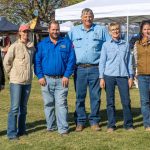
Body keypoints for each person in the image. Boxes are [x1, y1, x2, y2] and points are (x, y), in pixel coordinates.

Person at [68, 8, 110, 132]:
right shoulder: (74, 31)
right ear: (81, 18)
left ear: (93, 17)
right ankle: (80, 121)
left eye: (90, 16)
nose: (88, 18)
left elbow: (108, 46)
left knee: (95, 97)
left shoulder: (101, 30)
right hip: (79, 69)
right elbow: (66, 47)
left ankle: (94, 121)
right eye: (85, 16)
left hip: (95, 69)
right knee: (80, 97)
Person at [34, 21, 75, 136]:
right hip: (46, 80)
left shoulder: (66, 43)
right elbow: (37, 62)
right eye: (53, 29)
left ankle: (63, 129)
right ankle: (51, 126)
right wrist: (40, 76)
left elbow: (71, 60)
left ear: (59, 30)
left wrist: (67, 75)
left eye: (57, 29)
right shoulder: (42, 44)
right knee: (48, 104)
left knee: (61, 104)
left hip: (62, 79)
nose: (55, 31)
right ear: (49, 30)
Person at [99, 22, 134, 132]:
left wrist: (131, 76)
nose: (115, 31)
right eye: (113, 29)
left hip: (123, 75)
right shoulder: (105, 45)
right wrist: (101, 78)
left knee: (126, 101)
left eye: (117, 29)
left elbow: (129, 62)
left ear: (120, 30)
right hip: (109, 75)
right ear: (109, 32)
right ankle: (111, 125)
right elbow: (102, 62)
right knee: (110, 102)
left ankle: (128, 125)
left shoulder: (126, 44)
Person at [4, 24, 35, 140]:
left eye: (28, 32)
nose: (26, 34)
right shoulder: (14, 46)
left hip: (27, 81)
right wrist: (10, 75)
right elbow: (6, 62)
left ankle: (22, 130)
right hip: (16, 81)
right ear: (20, 33)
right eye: (24, 32)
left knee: (24, 107)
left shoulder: (32, 47)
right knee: (15, 108)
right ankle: (11, 133)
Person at [133, 20, 150, 131]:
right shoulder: (137, 43)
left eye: (149, 29)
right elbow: (135, 59)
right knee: (144, 101)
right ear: (141, 30)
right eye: (145, 29)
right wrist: (135, 73)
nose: (147, 31)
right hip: (142, 75)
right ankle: (147, 124)